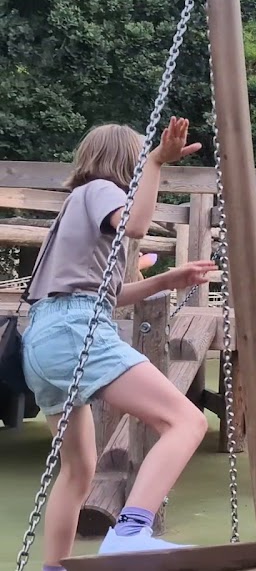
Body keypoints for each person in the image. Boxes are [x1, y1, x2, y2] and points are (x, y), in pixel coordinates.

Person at [24, 120, 217, 570]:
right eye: (138, 161)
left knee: (78, 470)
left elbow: (100, 293)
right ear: (125, 164)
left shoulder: (75, 206)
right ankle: (131, 531)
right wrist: (155, 163)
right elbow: (136, 224)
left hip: (43, 337)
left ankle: (55, 567)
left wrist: (167, 279)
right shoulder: (101, 190)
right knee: (185, 420)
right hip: (76, 329)